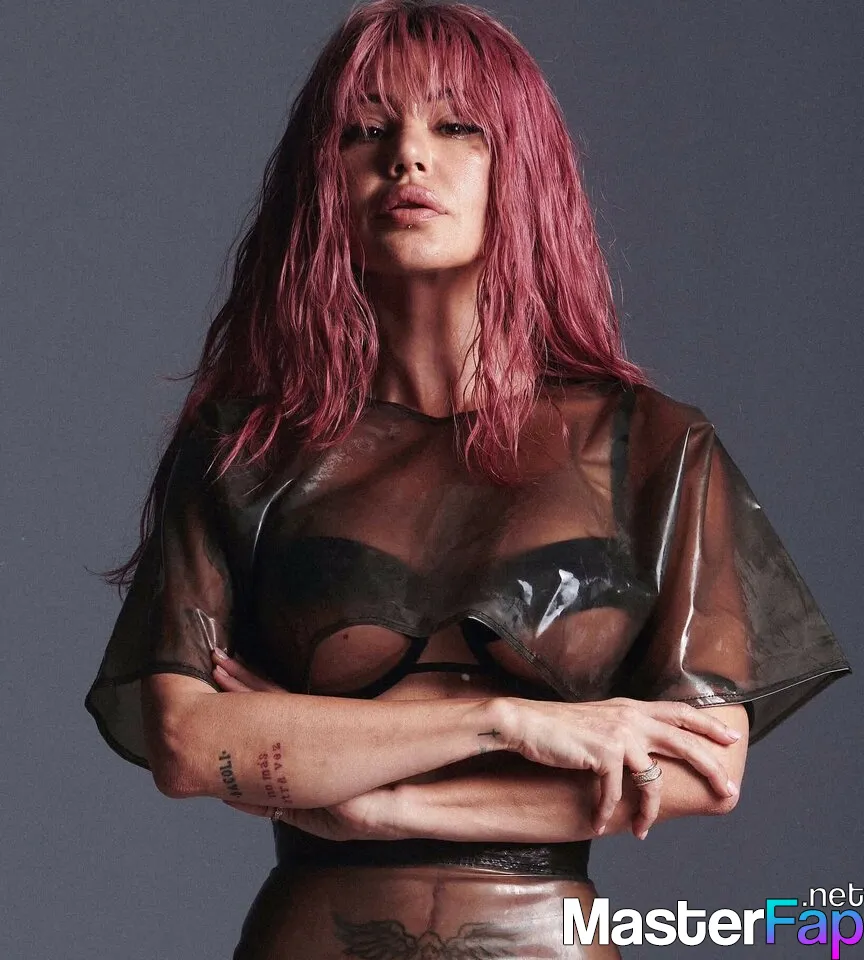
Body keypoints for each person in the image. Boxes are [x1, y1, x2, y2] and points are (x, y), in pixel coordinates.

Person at [84, 2, 851, 957]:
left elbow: (703, 768)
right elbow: (188, 742)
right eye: (366, 131)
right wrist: (511, 723)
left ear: (519, 167)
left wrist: (378, 803)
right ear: (324, 181)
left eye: (457, 126)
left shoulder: (653, 447)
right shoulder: (250, 452)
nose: (408, 157)